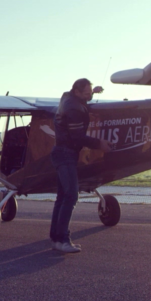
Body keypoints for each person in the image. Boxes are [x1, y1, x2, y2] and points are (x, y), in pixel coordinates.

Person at [50, 78, 112, 254]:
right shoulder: (74, 109)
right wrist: (99, 143)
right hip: (65, 154)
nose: (89, 96)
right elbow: (78, 137)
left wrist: (94, 93)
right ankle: (62, 239)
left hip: (62, 152)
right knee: (70, 196)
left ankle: (56, 239)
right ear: (77, 92)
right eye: (86, 93)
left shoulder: (67, 98)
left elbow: (82, 100)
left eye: (90, 92)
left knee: (62, 197)